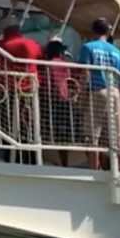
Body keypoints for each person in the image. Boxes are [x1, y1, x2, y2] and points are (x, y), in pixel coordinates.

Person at [79, 17, 120, 170]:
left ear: (93, 31)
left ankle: (95, 171)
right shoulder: (117, 51)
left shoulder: (88, 47)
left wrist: (81, 95)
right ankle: (118, 171)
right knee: (116, 136)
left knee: (93, 136)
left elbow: (85, 73)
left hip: (97, 91)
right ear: (108, 31)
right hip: (115, 92)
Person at [0, 19, 43, 164]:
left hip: (8, 90)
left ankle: (10, 155)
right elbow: (41, 56)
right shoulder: (31, 44)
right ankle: (32, 156)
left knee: (8, 125)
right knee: (30, 124)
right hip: (31, 89)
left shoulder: (0, 46)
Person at [42, 36, 73, 166]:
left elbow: (47, 83)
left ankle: (51, 160)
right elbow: (69, 81)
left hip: (52, 101)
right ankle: (64, 162)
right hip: (65, 100)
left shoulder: (48, 64)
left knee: (50, 132)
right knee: (63, 134)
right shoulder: (65, 64)